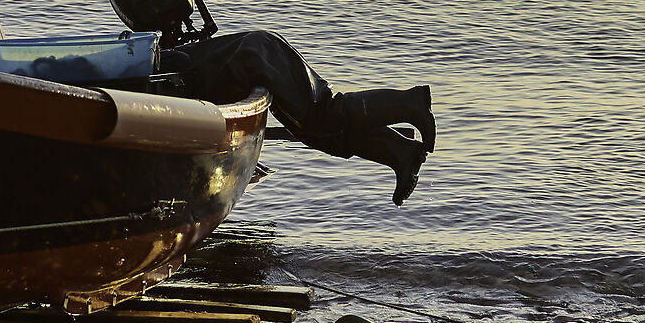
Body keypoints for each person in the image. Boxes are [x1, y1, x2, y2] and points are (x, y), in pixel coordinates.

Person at [156, 29, 437, 204]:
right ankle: (400, 153)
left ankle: (409, 103)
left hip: (256, 58)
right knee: (319, 133)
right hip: (255, 56)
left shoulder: (152, 72)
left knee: (323, 116)